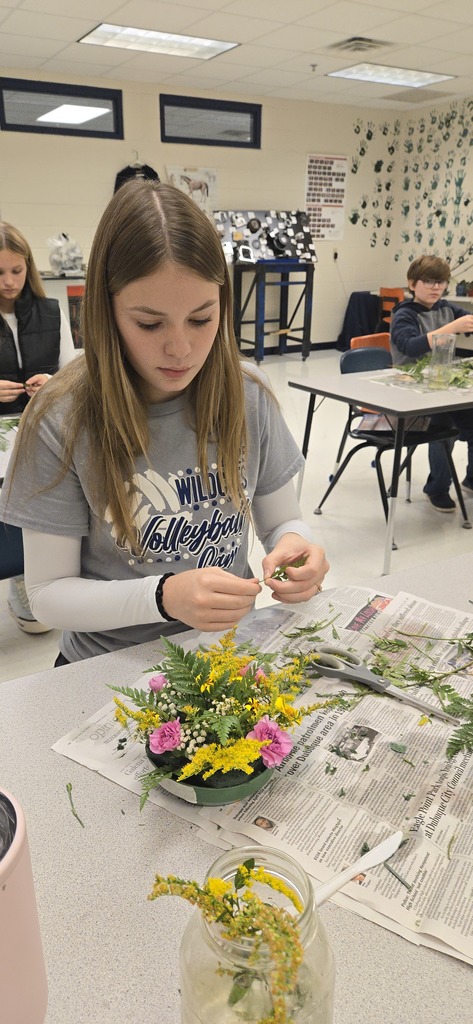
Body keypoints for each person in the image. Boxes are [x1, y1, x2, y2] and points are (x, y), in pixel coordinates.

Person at [0, 181, 328, 665]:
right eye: (150, 324)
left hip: (225, 658)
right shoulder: (59, 417)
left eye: (201, 319)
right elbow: (48, 593)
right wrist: (162, 596)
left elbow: (281, 520)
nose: (181, 349)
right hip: (105, 669)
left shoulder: (247, 393)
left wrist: (297, 545)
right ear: (106, 312)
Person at [0, 221, 76, 632]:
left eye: (17, 270)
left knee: (44, 500)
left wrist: (53, 384)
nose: (10, 282)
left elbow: (70, 372)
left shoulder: (50, 311)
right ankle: (16, 572)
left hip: (44, 428)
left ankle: (33, 573)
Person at [390, 255, 473, 512]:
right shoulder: (404, 314)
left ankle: (471, 479)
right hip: (411, 389)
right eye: (428, 281)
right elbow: (410, 347)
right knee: (443, 428)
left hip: (444, 385)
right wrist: (452, 328)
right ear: (412, 284)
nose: (436, 287)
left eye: (441, 282)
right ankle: (437, 487)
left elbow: (467, 324)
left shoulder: (447, 308)